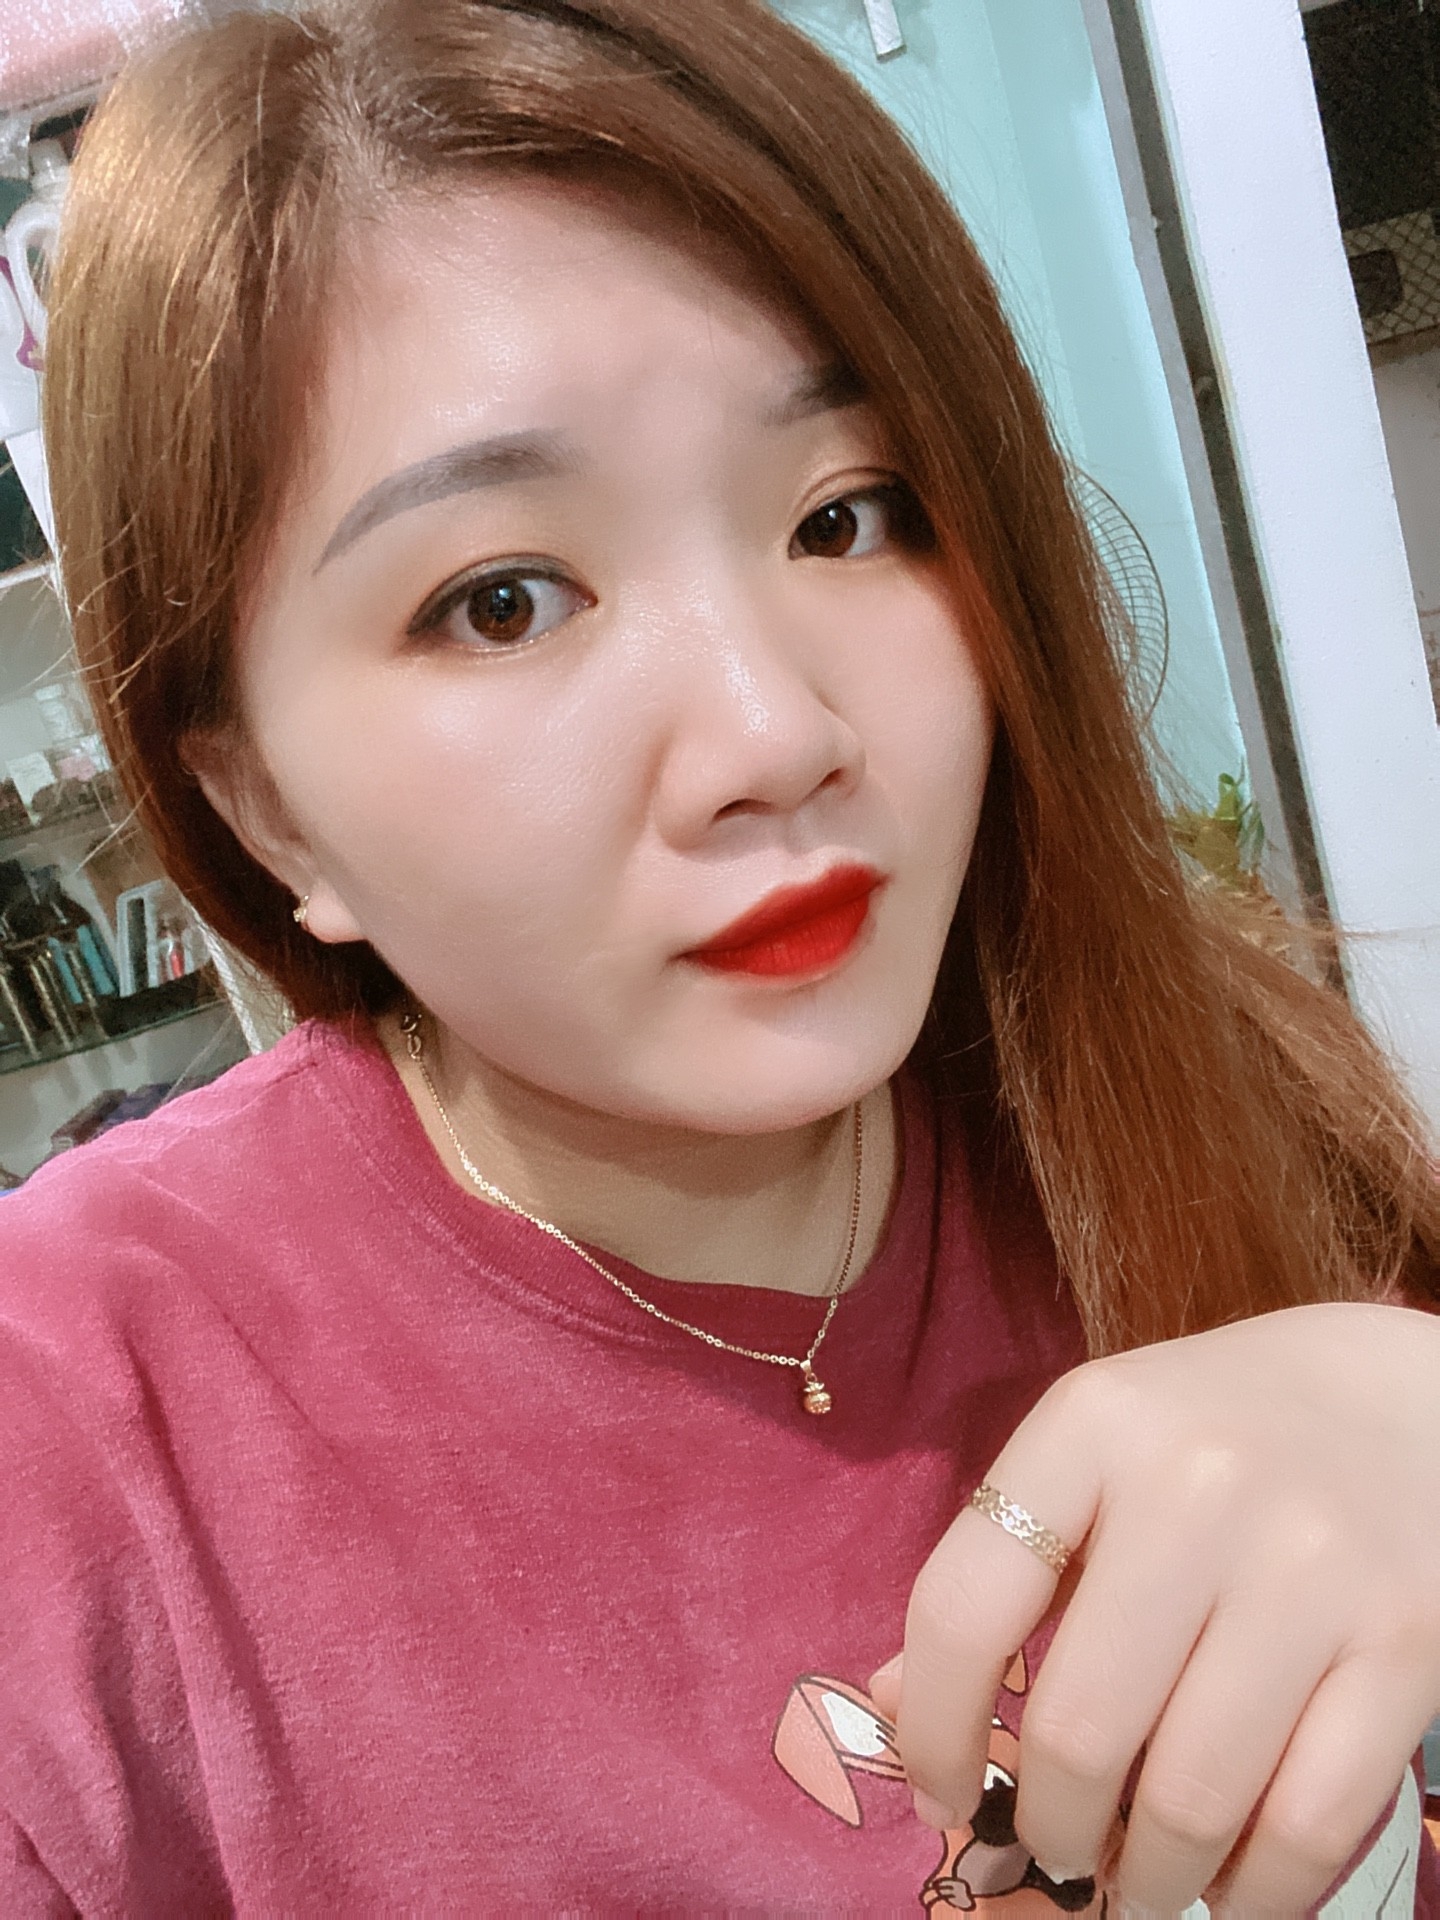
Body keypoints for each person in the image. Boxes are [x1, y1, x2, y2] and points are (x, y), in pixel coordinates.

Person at [3, 0, 1438, 1910]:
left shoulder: (1181, 1058)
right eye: (502, 602)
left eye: (847, 515)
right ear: (266, 811)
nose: (776, 732)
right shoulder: (78, 1426)